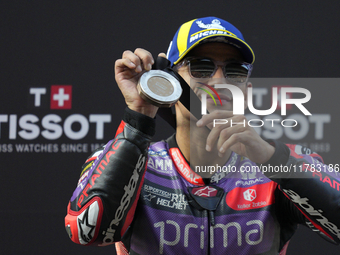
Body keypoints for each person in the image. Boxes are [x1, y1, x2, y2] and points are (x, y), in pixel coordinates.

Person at [65, 16, 340, 254]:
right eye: (201, 67)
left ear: (247, 90)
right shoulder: (136, 163)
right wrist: (139, 116)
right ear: (170, 81)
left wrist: (269, 158)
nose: (219, 82)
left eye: (234, 71)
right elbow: (87, 232)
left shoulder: (279, 165)